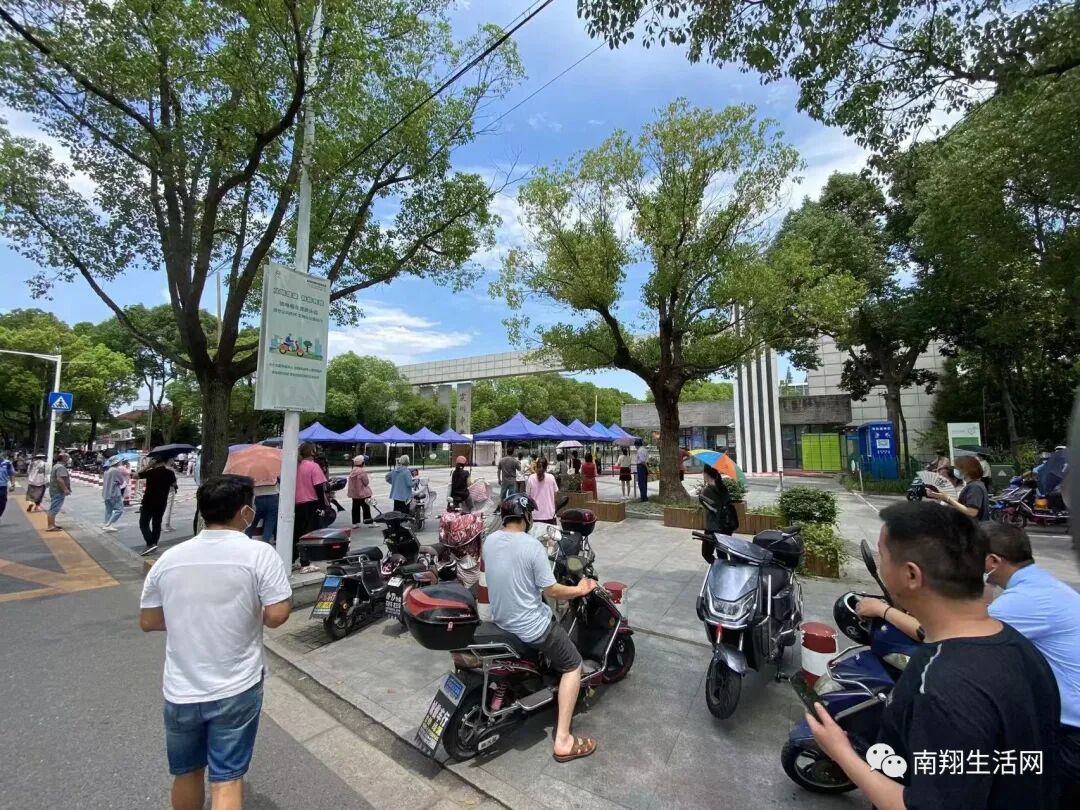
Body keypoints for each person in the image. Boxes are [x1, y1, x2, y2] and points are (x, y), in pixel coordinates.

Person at [806, 502, 1061, 810]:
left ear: (911, 574)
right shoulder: (1021, 648)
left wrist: (841, 752)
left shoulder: (941, 688)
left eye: (882, 556)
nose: (880, 565)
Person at [139, 474, 292, 810]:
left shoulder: (169, 558)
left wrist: (189, 620)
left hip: (180, 689)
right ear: (245, 512)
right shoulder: (259, 554)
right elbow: (277, 615)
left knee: (187, 773)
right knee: (226, 781)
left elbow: (148, 621)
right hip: (236, 686)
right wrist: (244, 616)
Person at [483, 495, 598, 761]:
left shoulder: (489, 541)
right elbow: (553, 591)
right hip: (532, 628)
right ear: (526, 517)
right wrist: (580, 589)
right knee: (573, 664)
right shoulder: (531, 545)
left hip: (501, 620)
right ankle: (564, 740)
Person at [984, 523, 1080, 806]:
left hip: (1070, 735)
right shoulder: (1044, 584)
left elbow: (958, 636)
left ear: (992, 561)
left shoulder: (1022, 601)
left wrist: (884, 610)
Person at [293, 443, 325, 573]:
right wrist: (322, 506)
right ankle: (305, 563)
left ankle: (291, 560)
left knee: (296, 534)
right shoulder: (313, 466)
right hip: (309, 503)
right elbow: (318, 487)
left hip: (295, 503)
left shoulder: (294, 465)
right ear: (312, 452)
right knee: (307, 534)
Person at [137, 457, 179, 556]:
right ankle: (154, 544)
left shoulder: (151, 472)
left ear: (155, 462)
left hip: (148, 502)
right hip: (161, 502)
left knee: (143, 523)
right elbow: (174, 485)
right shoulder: (170, 473)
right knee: (157, 523)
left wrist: (148, 466)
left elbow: (135, 475)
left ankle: (150, 543)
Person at [927, 454, 989, 520]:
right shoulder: (974, 485)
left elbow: (972, 512)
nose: (955, 471)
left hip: (975, 525)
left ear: (966, 470)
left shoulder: (975, 487)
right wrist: (940, 497)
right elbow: (962, 506)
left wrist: (948, 498)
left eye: (957, 468)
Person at [697, 465, 738, 563]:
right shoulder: (722, 487)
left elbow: (712, 508)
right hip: (726, 526)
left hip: (713, 527)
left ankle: (718, 568)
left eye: (703, 473)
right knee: (722, 553)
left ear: (706, 474)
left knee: (706, 553)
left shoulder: (707, 491)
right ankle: (723, 569)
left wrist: (701, 496)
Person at [525, 457, 559, 525]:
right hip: (549, 514)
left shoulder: (531, 478)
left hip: (535, 515)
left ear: (536, 466)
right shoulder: (551, 477)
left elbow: (527, 495)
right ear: (546, 467)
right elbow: (556, 493)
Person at [246, 478, 278, 545]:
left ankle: (246, 538)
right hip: (273, 496)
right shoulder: (273, 473)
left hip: (258, 497)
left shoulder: (253, 474)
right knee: (270, 522)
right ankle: (265, 542)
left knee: (253, 520)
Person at [46, 452, 71, 532]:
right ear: (64, 458)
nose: (69, 459)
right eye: (67, 458)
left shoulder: (56, 465)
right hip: (58, 491)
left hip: (54, 490)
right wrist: (65, 489)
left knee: (54, 507)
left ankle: (52, 524)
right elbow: (60, 479)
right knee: (54, 508)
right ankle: (50, 526)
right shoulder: (60, 467)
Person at [100, 460, 127, 532]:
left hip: (106, 493)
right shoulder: (116, 470)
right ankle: (109, 524)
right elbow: (121, 481)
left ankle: (106, 524)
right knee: (119, 510)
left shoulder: (106, 470)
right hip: (114, 493)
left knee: (108, 510)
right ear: (117, 462)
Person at [347, 455, 373, 528]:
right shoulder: (362, 471)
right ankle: (369, 522)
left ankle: (355, 523)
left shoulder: (353, 470)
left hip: (355, 494)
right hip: (363, 493)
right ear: (362, 463)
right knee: (366, 507)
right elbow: (366, 482)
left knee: (355, 508)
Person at [0, 452, 15, 521]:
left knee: (2, 503)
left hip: (2, 486)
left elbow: (11, 474)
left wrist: (13, 485)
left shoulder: (7, 463)